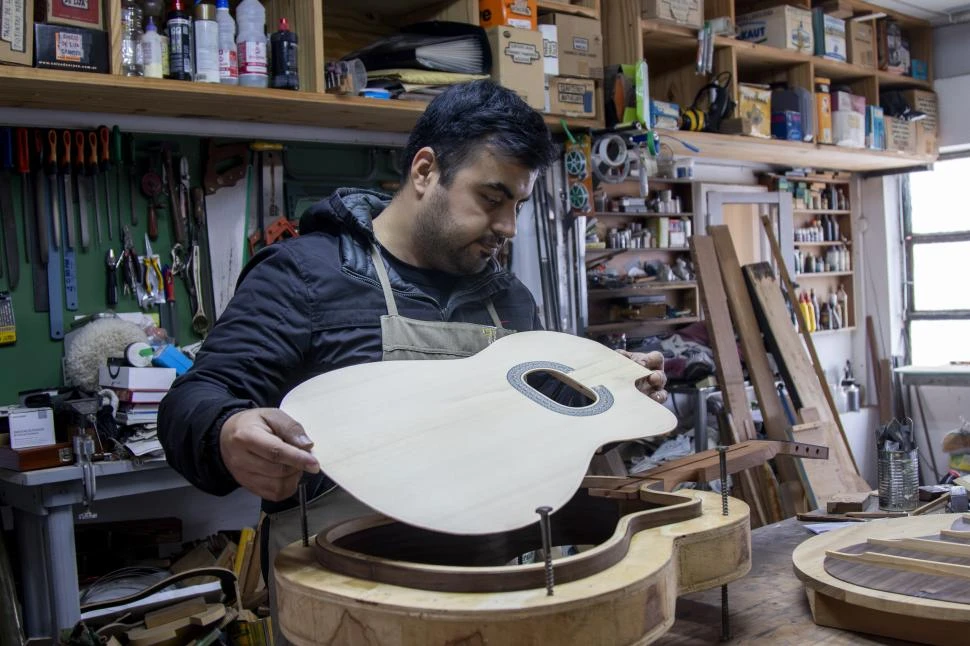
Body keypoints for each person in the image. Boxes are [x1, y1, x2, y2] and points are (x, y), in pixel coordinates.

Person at [158, 79, 668, 636]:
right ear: (425, 172)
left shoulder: (510, 301)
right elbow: (193, 399)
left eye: (517, 206)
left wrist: (619, 402)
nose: (507, 228)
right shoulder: (305, 275)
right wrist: (226, 429)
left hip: (499, 597)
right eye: (492, 199)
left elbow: (547, 422)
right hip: (352, 607)